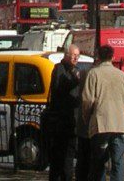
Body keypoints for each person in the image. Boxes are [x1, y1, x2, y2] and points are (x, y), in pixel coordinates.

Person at [82, 45, 124, 181]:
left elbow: (87, 100)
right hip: (120, 125)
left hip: (101, 125)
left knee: (99, 163)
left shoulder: (93, 74)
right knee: (118, 163)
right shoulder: (122, 75)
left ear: (98, 57)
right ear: (112, 57)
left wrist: (86, 119)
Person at [46, 44, 82, 181]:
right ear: (66, 55)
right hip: (60, 121)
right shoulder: (59, 69)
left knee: (69, 155)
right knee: (58, 157)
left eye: (77, 56)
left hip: (72, 121)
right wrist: (75, 80)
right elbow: (59, 88)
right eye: (73, 55)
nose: (76, 58)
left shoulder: (76, 70)